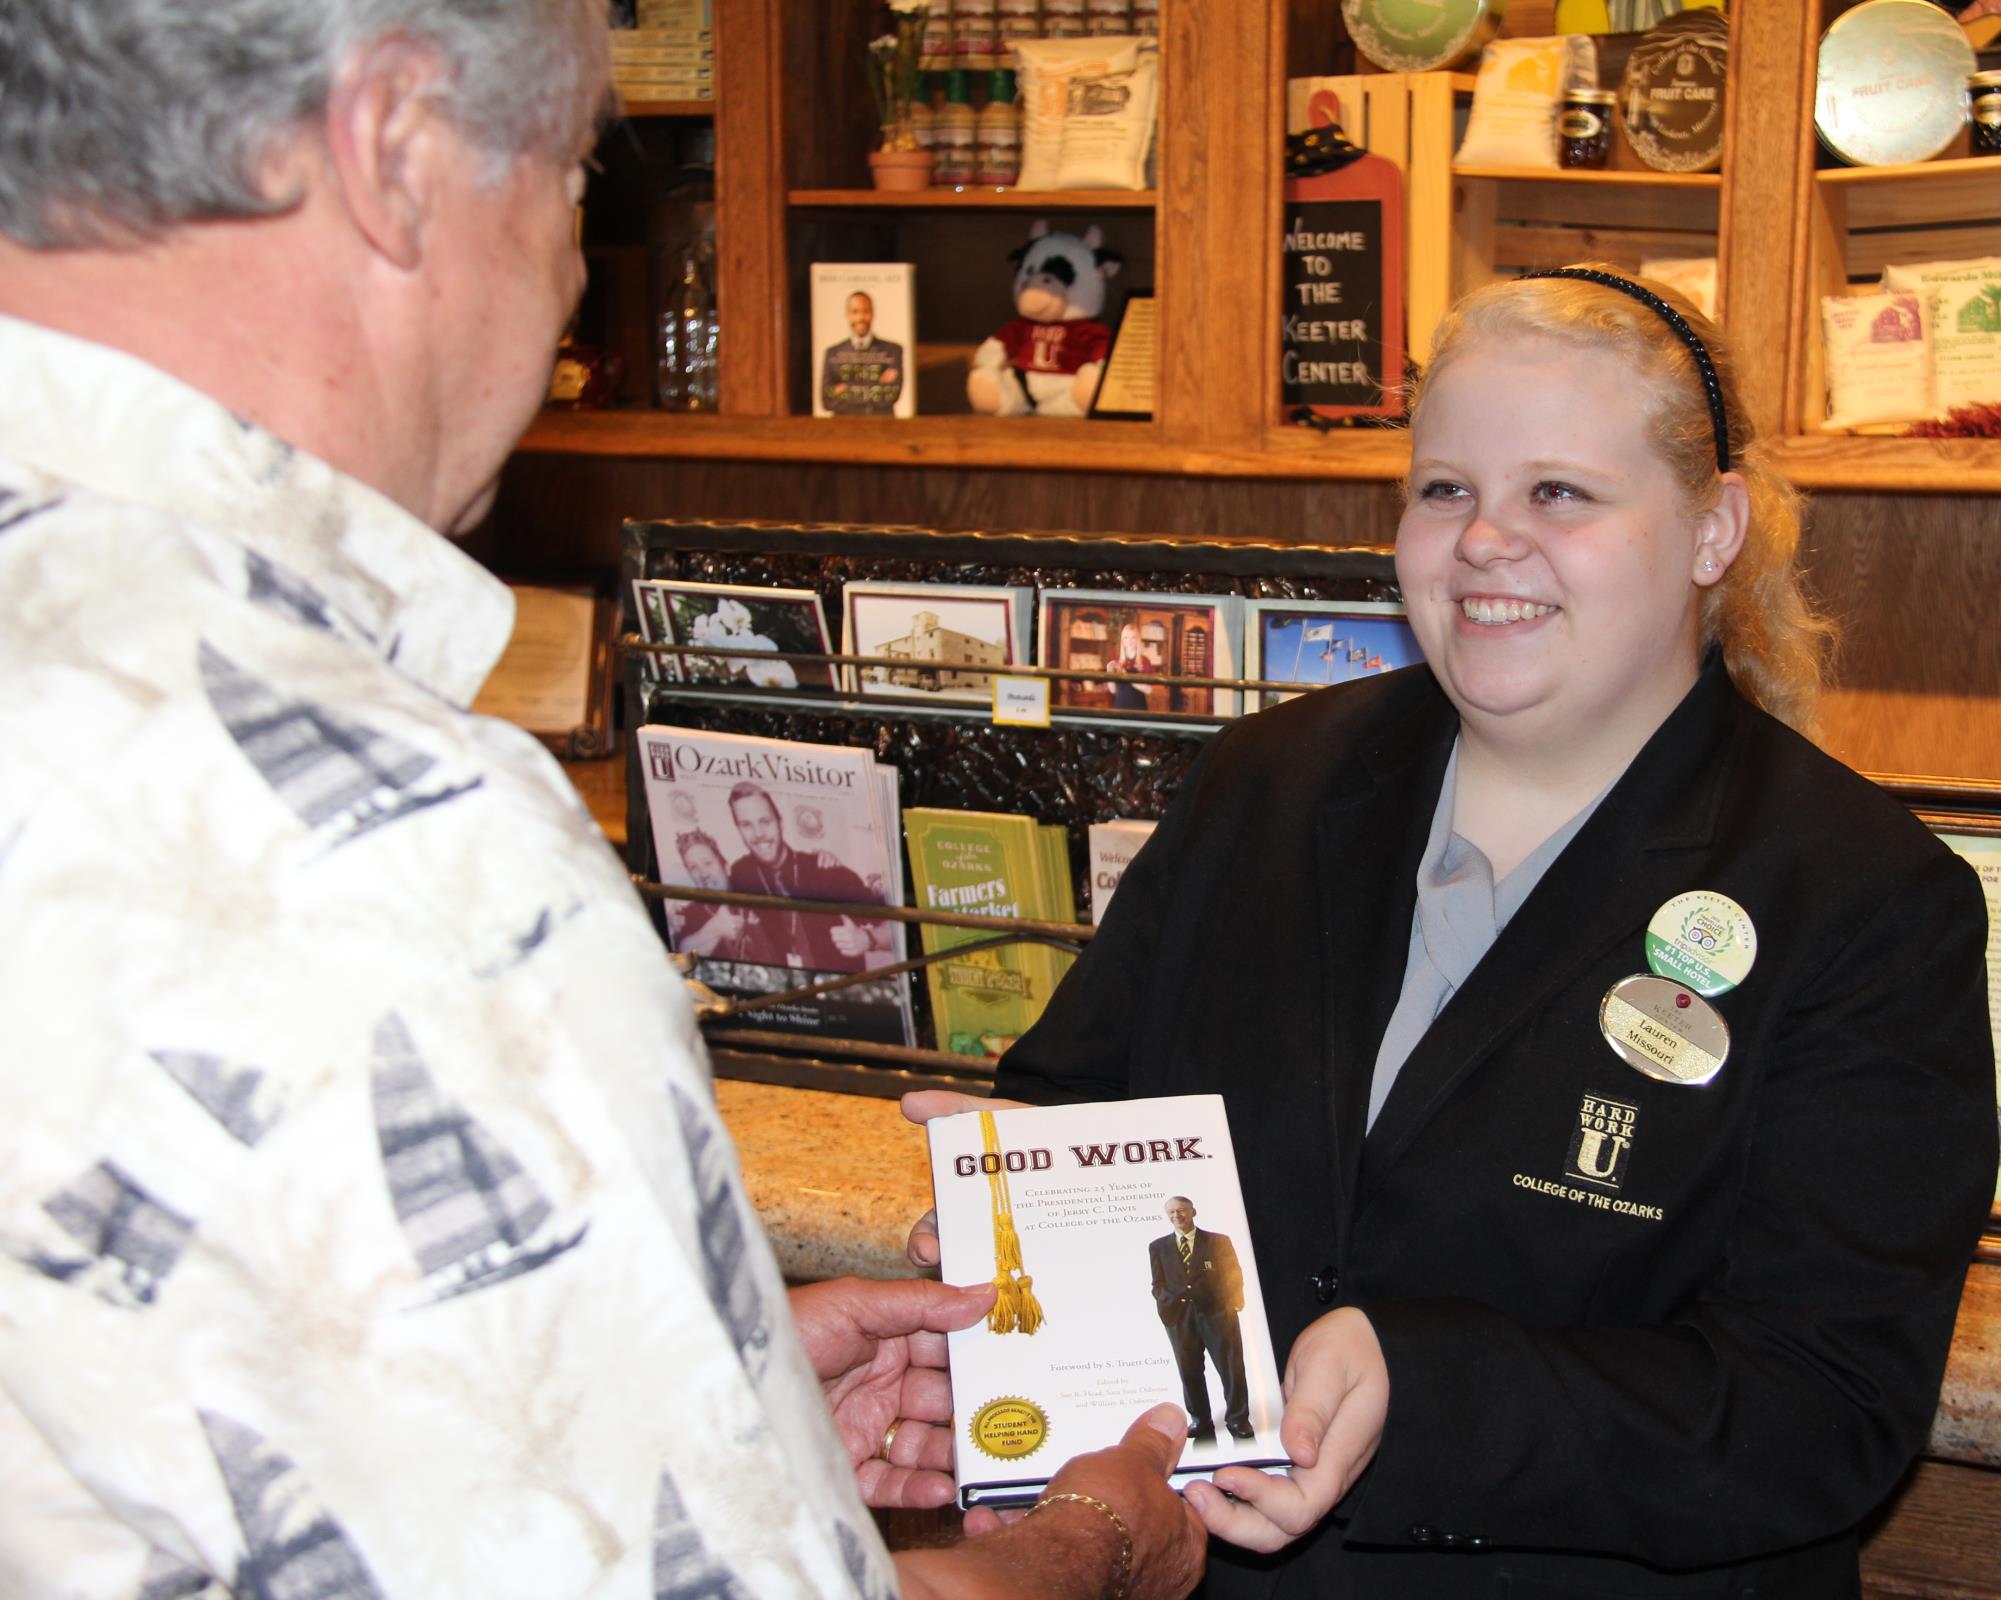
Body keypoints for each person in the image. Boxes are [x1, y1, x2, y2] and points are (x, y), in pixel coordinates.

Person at [0, 4, 1204, 1596]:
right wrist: (1095, 1541)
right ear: (394, 146)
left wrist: (704, 1409)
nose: (572, 277)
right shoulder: (386, 850)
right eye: (574, 179)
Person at [910, 266, 1998, 1596]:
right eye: (1444, 489)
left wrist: (1418, 1392)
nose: (1485, 539)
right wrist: (1014, 1210)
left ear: (1713, 530)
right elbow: (1079, 1097)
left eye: (1560, 493)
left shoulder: (1865, 898)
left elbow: (1823, 1406)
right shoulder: (1263, 781)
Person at [725, 780, 896, 974]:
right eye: (746, 824)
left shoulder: (827, 871)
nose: (758, 834)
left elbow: (898, 927)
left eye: (765, 821)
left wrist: (868, 939)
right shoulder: (741, 873)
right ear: (738, 829)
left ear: (780, 823)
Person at [1148, 1197, 1252, 1442]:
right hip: (1179, 1316)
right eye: (1172, 1212)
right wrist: (1166, 1301)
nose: (1177, 1215)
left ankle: (1237, 1419)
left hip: (1217, 1314)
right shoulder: (1158, 1247)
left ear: (1193, 1212)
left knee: (1231, 1367)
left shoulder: (1218, 1241)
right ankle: (1200, 1420)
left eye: (1181, 1210)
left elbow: (1233, 1273)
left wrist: (1233, 1302)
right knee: (1189, 1370)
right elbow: (1157, 1283)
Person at [670, 828, 754, 957]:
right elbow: (681, 956)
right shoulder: (687, 915)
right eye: (694, 868)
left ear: (726, 867)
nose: (703, 874)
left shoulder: (753, 895)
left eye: (707, 863)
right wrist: (715, 929)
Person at [823, 290, 906, 416]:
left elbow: (891, 396)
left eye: (865, 311)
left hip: (881, 425)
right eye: (855, 312)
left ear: (872, 313)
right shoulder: (833, 353)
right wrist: (876, 386)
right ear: (847, 315)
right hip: (843, 425)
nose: (861, 318)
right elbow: (827, 400)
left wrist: (846, 388)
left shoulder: (892, 351)